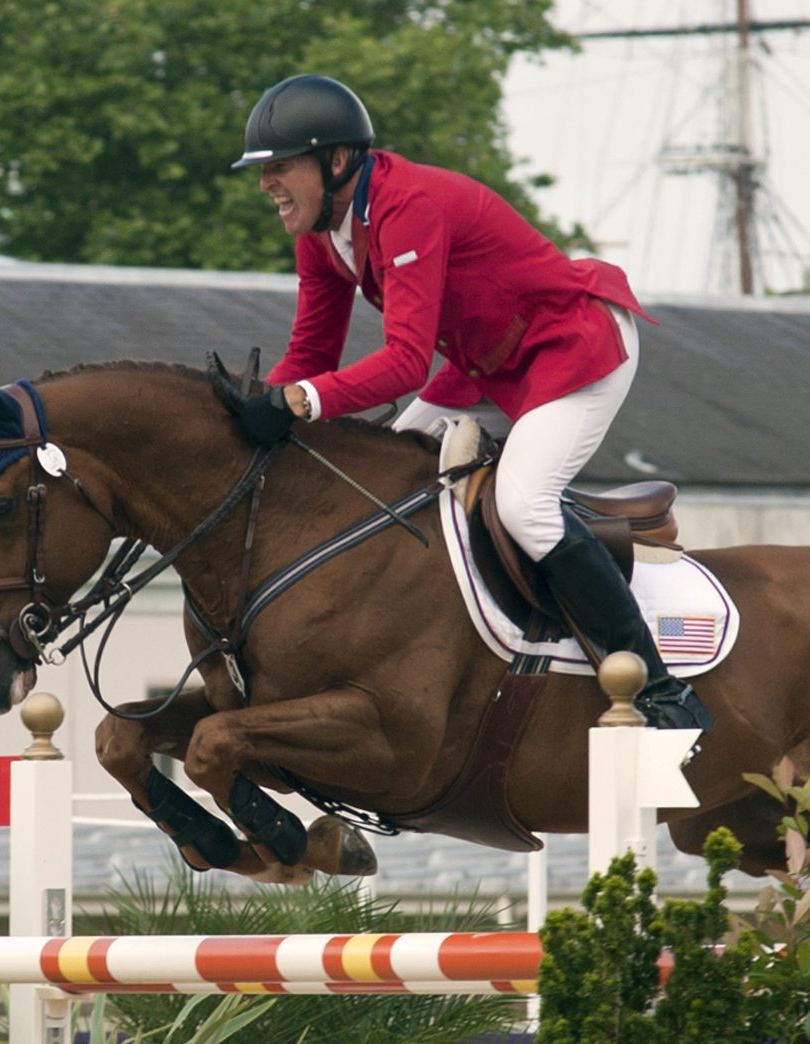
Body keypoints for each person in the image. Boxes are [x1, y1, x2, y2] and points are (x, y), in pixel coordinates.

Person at [231, 74, 711, 733]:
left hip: (571, 343)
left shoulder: (408, 205)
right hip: (488, 364)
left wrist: (297, 403)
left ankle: (660, 692)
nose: (266, 184)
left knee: (524, 504)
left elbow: (403, 361)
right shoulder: (321, 233)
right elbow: (312, 353)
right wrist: (251, 407)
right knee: (389, 474)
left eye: (280, 168)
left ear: (336, 162)